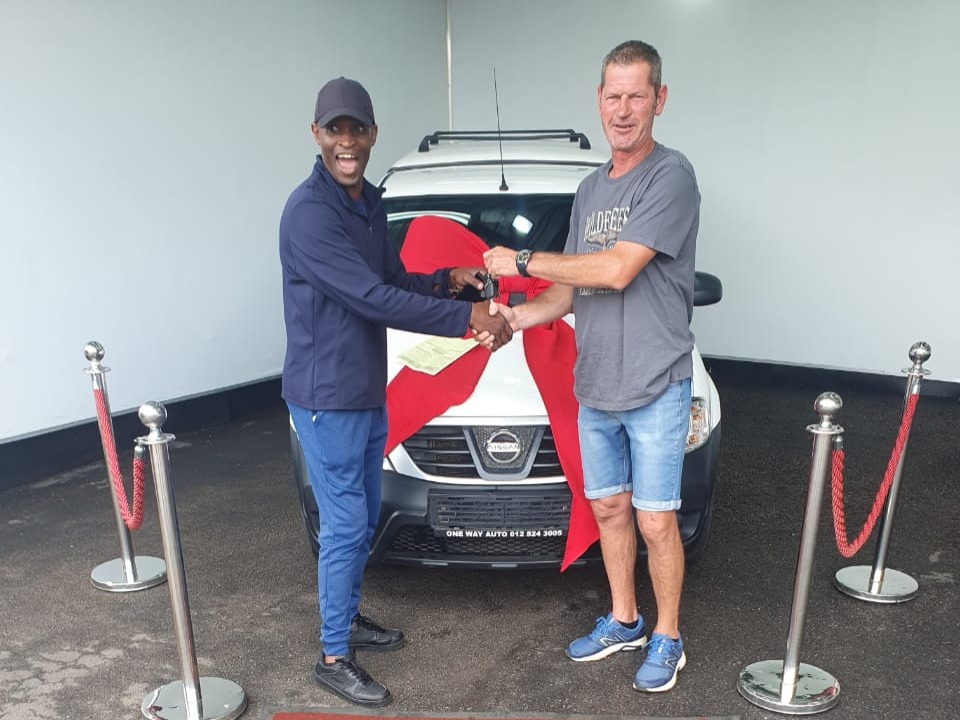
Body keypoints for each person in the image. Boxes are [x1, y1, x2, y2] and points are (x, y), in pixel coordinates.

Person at [279, 76, 512, 707]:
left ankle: (347, 618)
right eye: (335, 129)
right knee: (345, 524)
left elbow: (393, 279)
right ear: (316, 134)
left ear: (373, 134)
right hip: (326, 398)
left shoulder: (368, 203)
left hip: (363, 388)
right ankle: (333, 655)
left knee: (361, 516)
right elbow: (370, 298)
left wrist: (446, 280)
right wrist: (467, 317)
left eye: (357, 129)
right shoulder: (309, 214)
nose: (347, 141)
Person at [483, 40, 699, 693]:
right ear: (599, 101)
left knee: (655, 519)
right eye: (613, 96)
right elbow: (571, 290)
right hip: (596, 384)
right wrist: (514, 318)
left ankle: (668, 636)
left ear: (660, 100)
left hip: (655, 382)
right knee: (608, 509)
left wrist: (521, 260)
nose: (623, 110)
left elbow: (616, 268)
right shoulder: (588, 190)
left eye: (637, 96)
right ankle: (625, 619)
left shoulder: (670, 176)